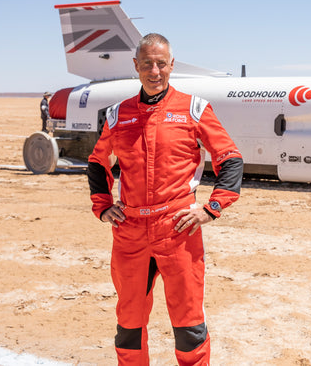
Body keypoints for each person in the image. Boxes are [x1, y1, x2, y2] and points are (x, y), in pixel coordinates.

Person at [87, 33, 243, 365]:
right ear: (136, 67)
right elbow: (98, 162)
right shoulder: (118, 115)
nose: (154, 71)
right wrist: (102, 206)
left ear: (171, 65)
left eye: (161, 64)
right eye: (147, 64)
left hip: (178, 230)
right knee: (128, 325)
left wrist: (211, 209)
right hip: (130, 235)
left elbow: (230, 159)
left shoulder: (194, 108)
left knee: (189, 327)